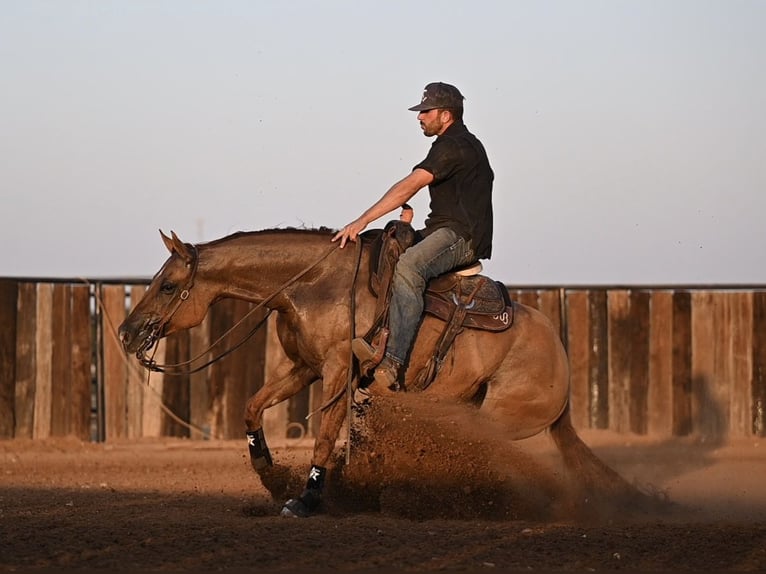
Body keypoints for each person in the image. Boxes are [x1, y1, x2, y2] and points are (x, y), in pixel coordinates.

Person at [332, 82, 494, 392]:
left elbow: (410, 185)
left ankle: (392, 362)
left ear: (445, 115)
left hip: (462, 237)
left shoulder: (455, 145)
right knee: (383, 251)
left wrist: (361, 221)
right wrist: (407, 224)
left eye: (425, 112)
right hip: (442, 229)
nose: (419, 117)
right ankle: (382, 335)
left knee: (408, 266)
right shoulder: (450, 144)